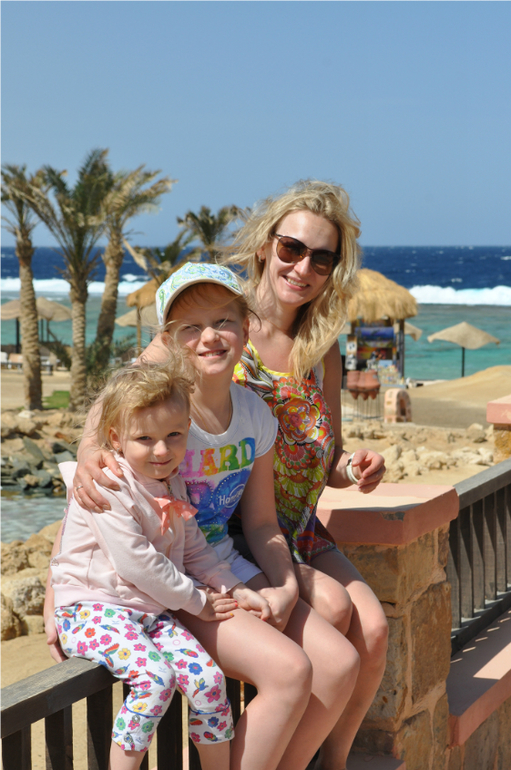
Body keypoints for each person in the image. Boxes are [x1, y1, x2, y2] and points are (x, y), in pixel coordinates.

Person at [51, 262, 363, 770]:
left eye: (223, 321)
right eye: (190, 327)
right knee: (290, 673)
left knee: (340, 663)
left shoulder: (255, 414)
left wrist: (283, 585)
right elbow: (89, 507)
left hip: (217, 564)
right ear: (168, 341)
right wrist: (55, 597)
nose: (210, 337)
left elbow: (261, 524)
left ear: (247, 326)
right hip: (170, 583)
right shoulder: (155, 421)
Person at [222, 179, 389, 769]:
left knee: (374, 631)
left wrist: (353, 466)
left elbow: (329, 455)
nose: (303, 268)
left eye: (322, 258)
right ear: (265, 245)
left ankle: (331, 761)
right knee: (339, 613)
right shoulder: (224, 329)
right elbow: (134, 391)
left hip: (300, 526)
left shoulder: (321, 347)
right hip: (240, 531)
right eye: (292, 248)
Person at [51, 354, 272, 770]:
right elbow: (137, 564)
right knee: (155, 681)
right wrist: (198, 601)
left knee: (209, 682)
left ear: (187, 428)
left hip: (147, 611)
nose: (161, 450)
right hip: (92, 608)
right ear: (116, 438)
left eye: (173, 435)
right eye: (144, 438)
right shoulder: (109, 484)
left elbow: (194, 549)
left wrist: (234, 587)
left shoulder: (171, 482)